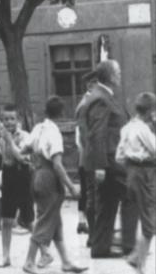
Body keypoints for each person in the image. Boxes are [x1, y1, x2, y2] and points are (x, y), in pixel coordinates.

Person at [19, 96, 87, 274]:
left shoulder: (38, 127)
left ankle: (65, 261)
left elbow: (24, 149)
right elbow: (57, 164)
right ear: (62, 113)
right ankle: (29, 261)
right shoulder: (54, 132)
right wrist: (71, 186)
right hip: (49, 177)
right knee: (46, 219)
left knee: (54, 220)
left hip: (37, 175)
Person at [81, 60, 136, 257]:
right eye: (118, 72)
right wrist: (100, 166)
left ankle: (100, 247)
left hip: (109, 160)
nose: (120, 75)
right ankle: (129, 245)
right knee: (131, 195)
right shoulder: (101, 98)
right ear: (111, 76)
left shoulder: (104, 96)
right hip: (110, 161)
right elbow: (97, 133)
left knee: (107, 203)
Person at [116, 92, 156, 274]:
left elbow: (119, 156)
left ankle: (138, 262)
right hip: (145, 173)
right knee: (149, 221)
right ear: (149, 111)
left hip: (131, 173)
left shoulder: (126, 128)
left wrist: (132, 160)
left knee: (146, 217)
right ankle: (136, 260)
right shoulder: (143, 129)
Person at [0, 104, 35, 268]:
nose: (9, 122)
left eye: (12, 119)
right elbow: (7, 160)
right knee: (6, 219)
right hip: (9, 176)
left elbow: (22, 158)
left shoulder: (25, 136)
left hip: (23, 176)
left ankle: (45, 250)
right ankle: (5, 256)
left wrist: (10, 141)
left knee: (28, 219)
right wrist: (6, 141)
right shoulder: (2, 138)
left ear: (18, 120)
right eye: (5, 119)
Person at [75, 72, 97, 236]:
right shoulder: (86, 105)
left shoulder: (89, 102)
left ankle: (83, 222)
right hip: (88, 156)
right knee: (89, 191)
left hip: (86, 155)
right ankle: (88, 226)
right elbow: (82, 136)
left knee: (87, 190)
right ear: (90, 85)